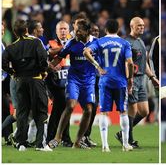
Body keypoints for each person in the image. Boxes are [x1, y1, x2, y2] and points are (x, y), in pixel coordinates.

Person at [83, 19, 134, 152]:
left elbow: (86, 52)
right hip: (121, 81)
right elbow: (129, 62)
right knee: (123, 112)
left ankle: (105, 146)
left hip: (105, 80)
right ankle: (125, 144)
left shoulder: (99, 42)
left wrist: (97, 67)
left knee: (104, 113)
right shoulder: (125, 43)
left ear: (105, 29)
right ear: (118, 29)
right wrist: (130, 79)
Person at [2, 19, 51, 151]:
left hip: (21, 81)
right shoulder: (35, 42)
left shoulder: (11, 47)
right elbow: (43, 59)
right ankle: (40, 144)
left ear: (15, 32)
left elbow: (3, 63)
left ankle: (21, 143)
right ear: (27, 30)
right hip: (36, 80)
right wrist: (43, 71)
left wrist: (13, 73)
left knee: (22, 113)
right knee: (41, 111)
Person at [48, 19, 96, 149]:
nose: (76, 32)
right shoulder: (72, 43)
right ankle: (57, 138)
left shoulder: (96, 43)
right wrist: (49, 67)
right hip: (74, 79)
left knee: (89, 110)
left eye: (79, 30)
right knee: (70, 105)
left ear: (86, 31)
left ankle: (77, 142)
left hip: (89, 81)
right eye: (75, 30)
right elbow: (59, 57)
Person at [115, 17, 159, 148]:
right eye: (139, 25)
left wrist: (152, 77)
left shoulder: (140, 41)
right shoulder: (126, 43)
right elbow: (124, 63)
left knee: (145, 111)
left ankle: (122, 133)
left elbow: (144, 62)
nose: (141, 27)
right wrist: (129, 80)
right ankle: (128, 139)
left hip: (141, 80)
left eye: (143, 26)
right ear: (131, 26)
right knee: (132, 109)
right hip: (131, 79)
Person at [45, 21, 73, 147]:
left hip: (68, 82)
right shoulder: (51, 43)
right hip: (55, 83)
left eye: (65, 29)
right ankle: (54, 137)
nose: (63, 31)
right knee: (59, 108)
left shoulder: (73, 43)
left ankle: (62, 138)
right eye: (60, 29)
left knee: (65, 109)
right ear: (56, 31)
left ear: (68, 31)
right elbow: (46, 56)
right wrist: (50, 66)